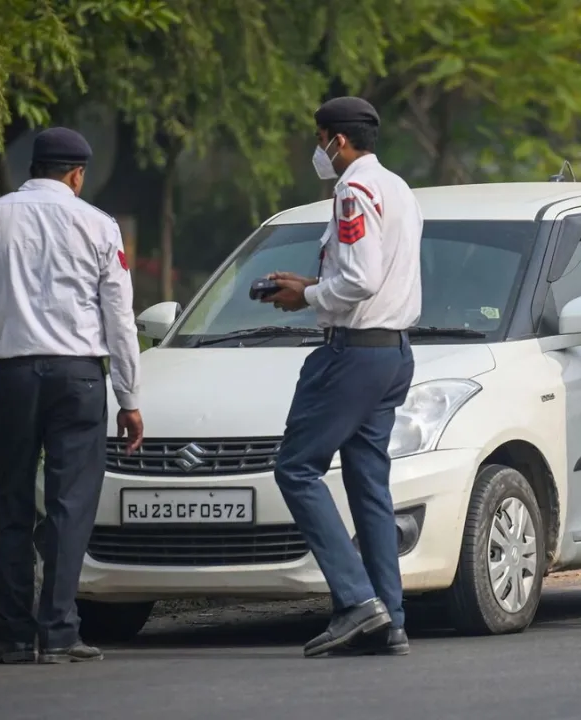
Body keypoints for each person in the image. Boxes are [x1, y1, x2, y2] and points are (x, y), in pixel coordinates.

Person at [0, 127, 144, 664]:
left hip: (13, 375)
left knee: (10, 500)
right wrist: (128, 396)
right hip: (79, 378)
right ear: (77, 173)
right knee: (69, 505)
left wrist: (3, 310)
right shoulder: (100, 225)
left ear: (34, 166)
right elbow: (119, 319)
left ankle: (12, 632)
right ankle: (59, 629)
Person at [260, 96, 422, 658]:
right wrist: (311, 284)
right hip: (392, 353)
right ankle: (390, 618)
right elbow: (368, 273)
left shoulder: (352, 191)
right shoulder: (398, 188)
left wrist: (306, 294)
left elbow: (360, 279)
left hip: (352, 354)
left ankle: (357, 602)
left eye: (320, 139)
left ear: (336, 141)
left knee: (296, 469)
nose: (318, 151)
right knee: (367, 484)